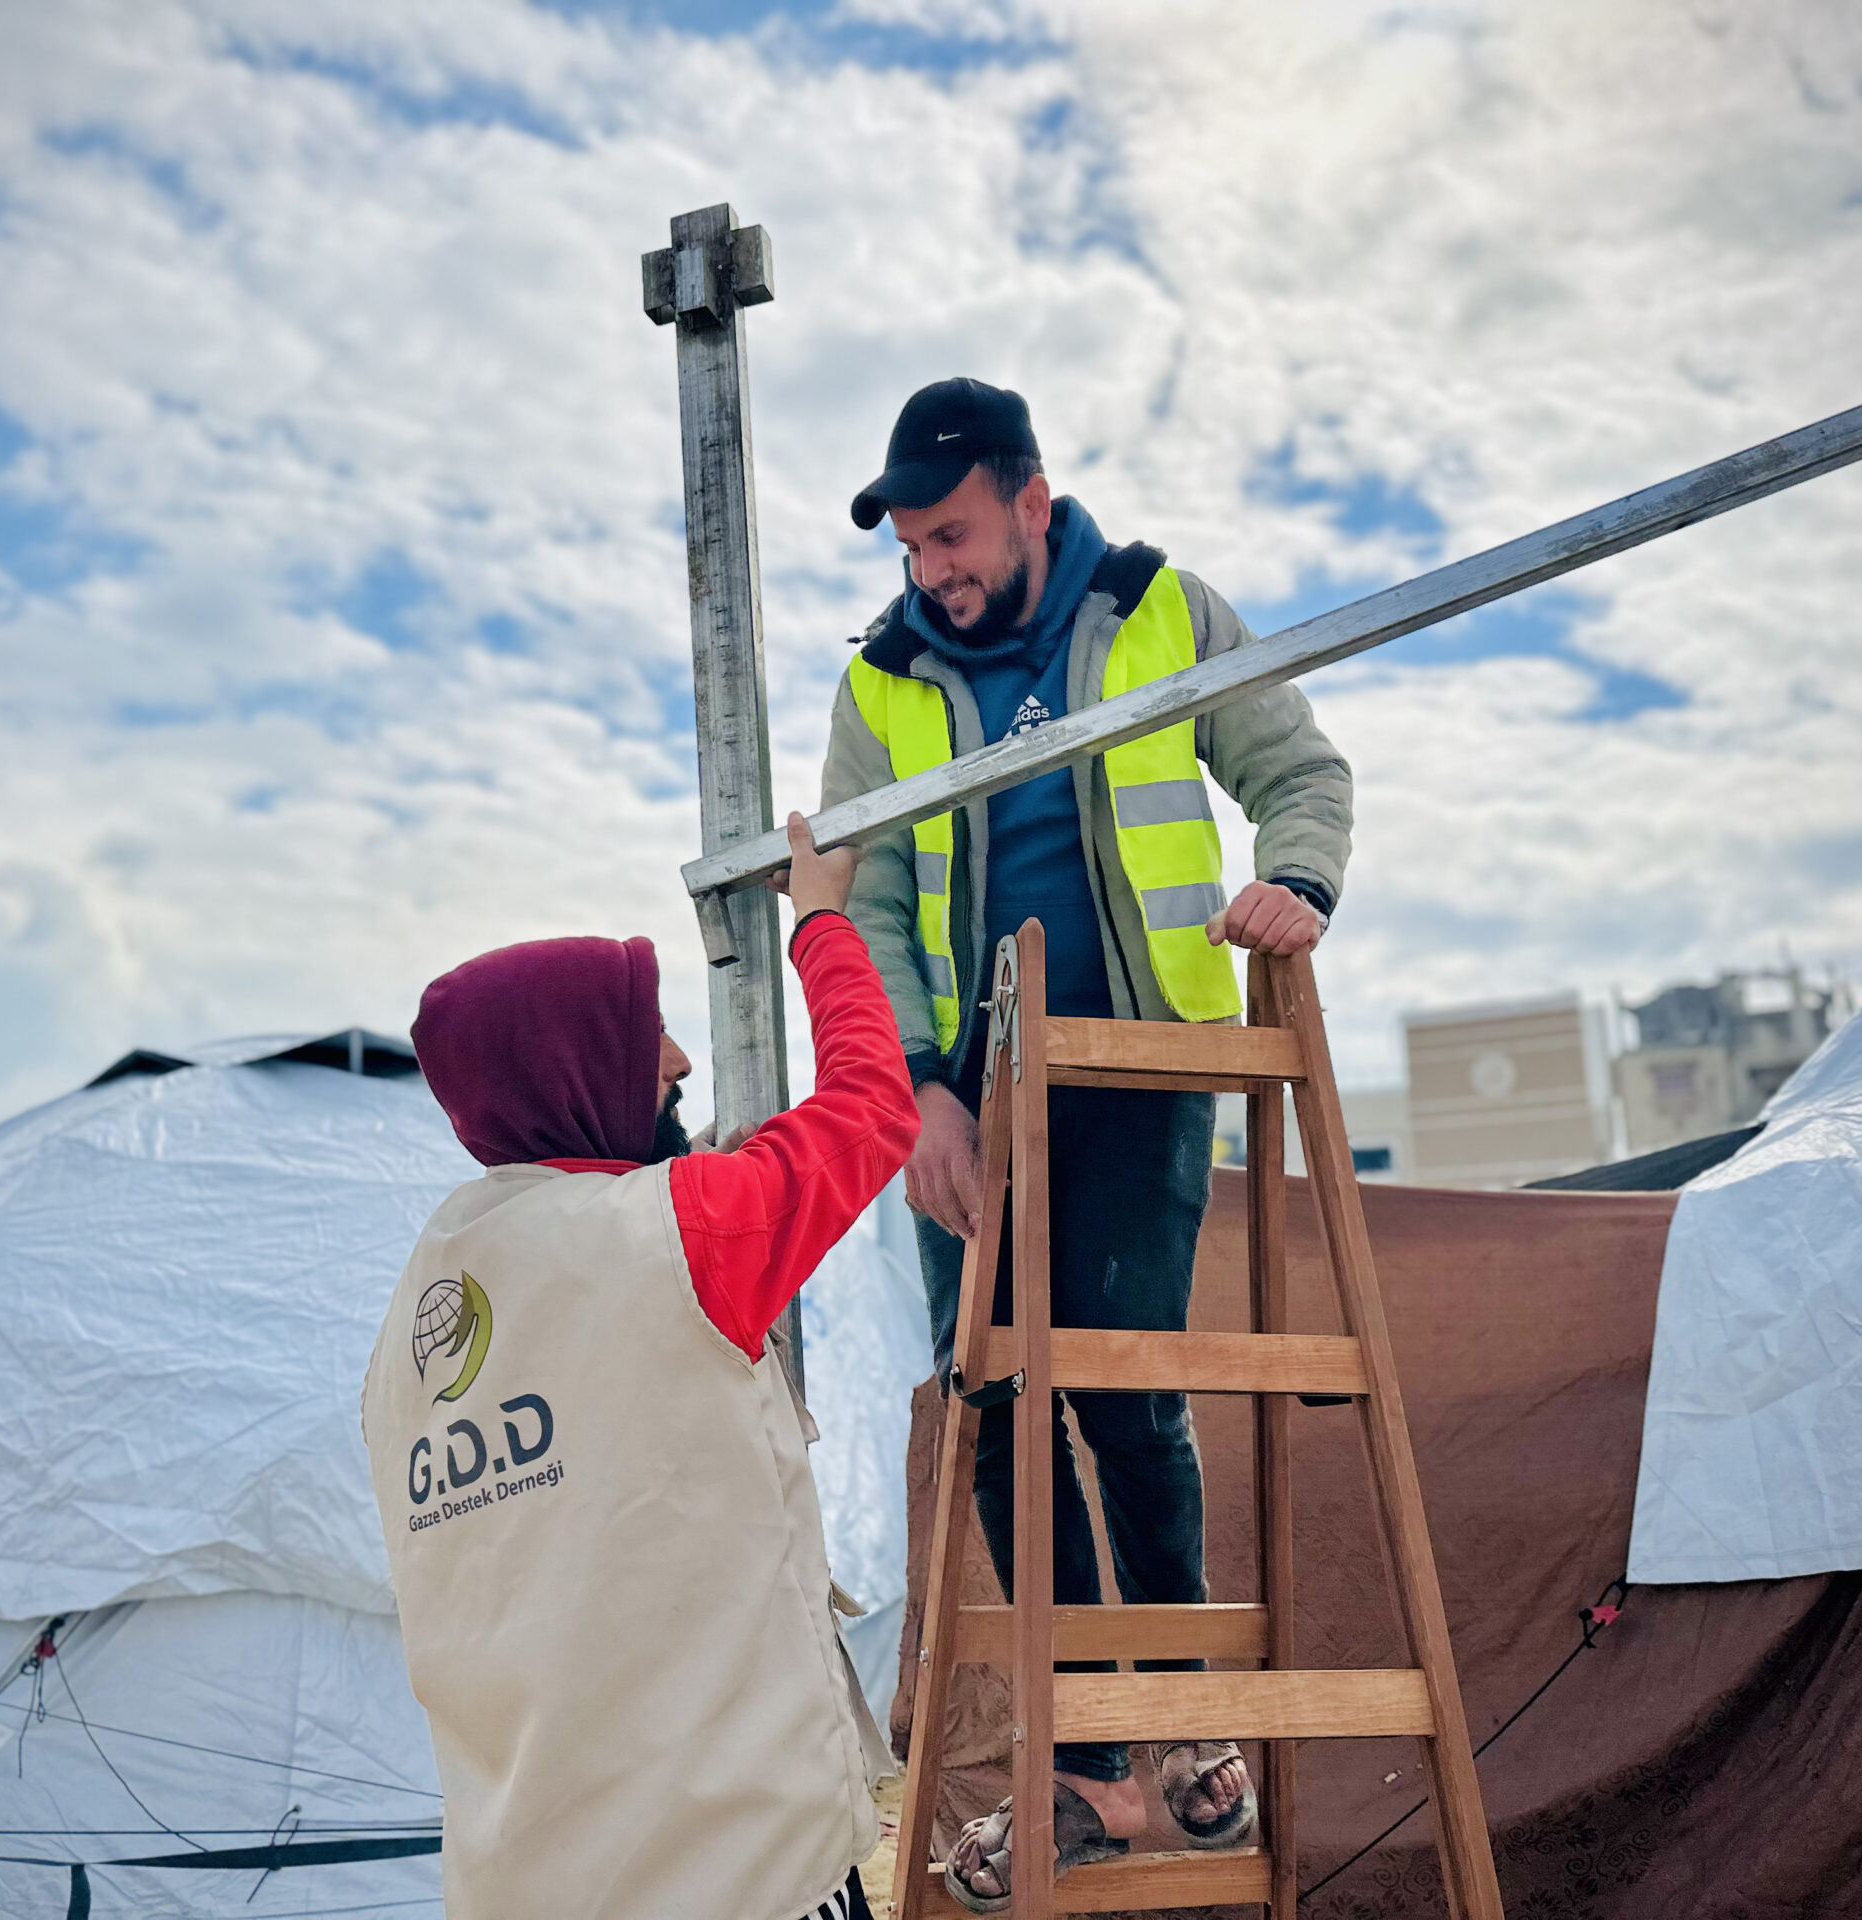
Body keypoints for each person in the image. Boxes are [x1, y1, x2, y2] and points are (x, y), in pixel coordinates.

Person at [821, 379, 1354, 1909]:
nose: (931, 568)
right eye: (913, 546)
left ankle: (1180, 1720)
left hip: (1140, 1064)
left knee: (1124, 1384)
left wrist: (1298, 881)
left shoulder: (1161, 609)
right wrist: (917, 1094)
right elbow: (863, 900)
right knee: (994, 1401)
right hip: (967, 1094)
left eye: (952, 534)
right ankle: (1082, 1764)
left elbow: (1300, 770)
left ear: (1031, 502)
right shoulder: (883, 685)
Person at [362, 815, 918, 1920]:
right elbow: (870, 1107)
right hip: (741, 1880)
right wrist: (820, 921)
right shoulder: (689, 1231)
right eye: (645, 1034)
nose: (679, 1060)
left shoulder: (409, 1331)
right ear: (572, 1065)